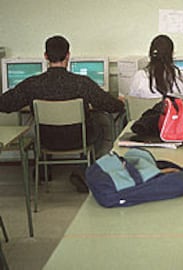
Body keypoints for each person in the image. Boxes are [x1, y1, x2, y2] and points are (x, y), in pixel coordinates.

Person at [0, 35, 125, 192]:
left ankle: (43, 171)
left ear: (46, 56)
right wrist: (120, 102)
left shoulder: (32, 84)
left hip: (46, 140)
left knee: (43, 129)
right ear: (68, 55)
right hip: (80, 139)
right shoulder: (82, 83)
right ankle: (85, 170)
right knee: (100, 126)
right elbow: (109, 105)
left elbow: (5, 104)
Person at [125, 34, 183, 103]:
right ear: (172, 54)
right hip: (174, 120)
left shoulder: (139, 77)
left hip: (147, 119)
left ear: (150, 54)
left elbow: (133, 102)